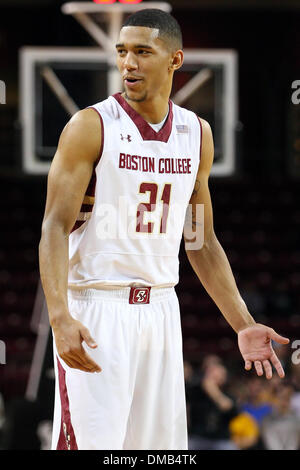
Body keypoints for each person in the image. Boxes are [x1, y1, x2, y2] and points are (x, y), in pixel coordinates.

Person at [38, 8, 290, 451]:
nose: (128, 64)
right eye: (122, 52)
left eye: (142, 52)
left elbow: (201, 240)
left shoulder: (197, 133)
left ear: (174, 60)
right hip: (98, 307)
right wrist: (60, 315)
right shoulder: (90, 126)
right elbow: (54, 227)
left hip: (160, 311)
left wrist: (243, 323)